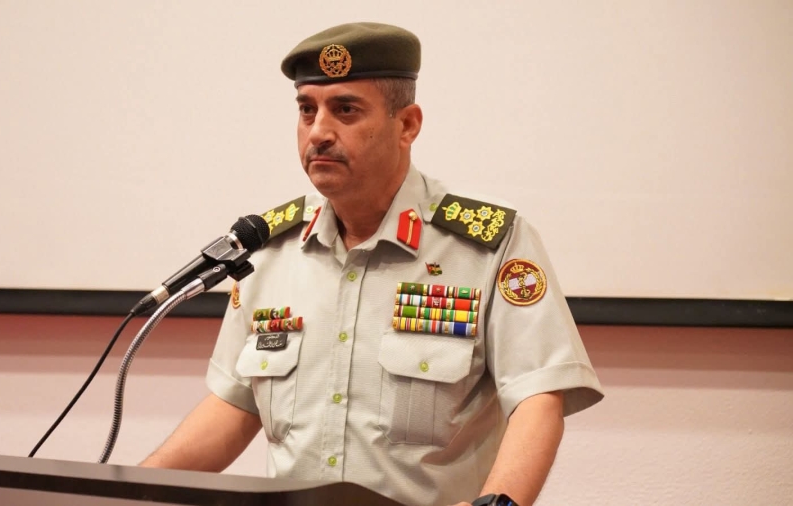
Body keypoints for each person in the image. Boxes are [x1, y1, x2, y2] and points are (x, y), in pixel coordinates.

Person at [141, 22, 604, 506]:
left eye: (346, 110)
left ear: (407, 125)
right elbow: (235, 407)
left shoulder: (486, 244)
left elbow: (537, 398)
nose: (319, 132)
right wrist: (128, 488)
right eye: (307, 110)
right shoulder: (271, 248)